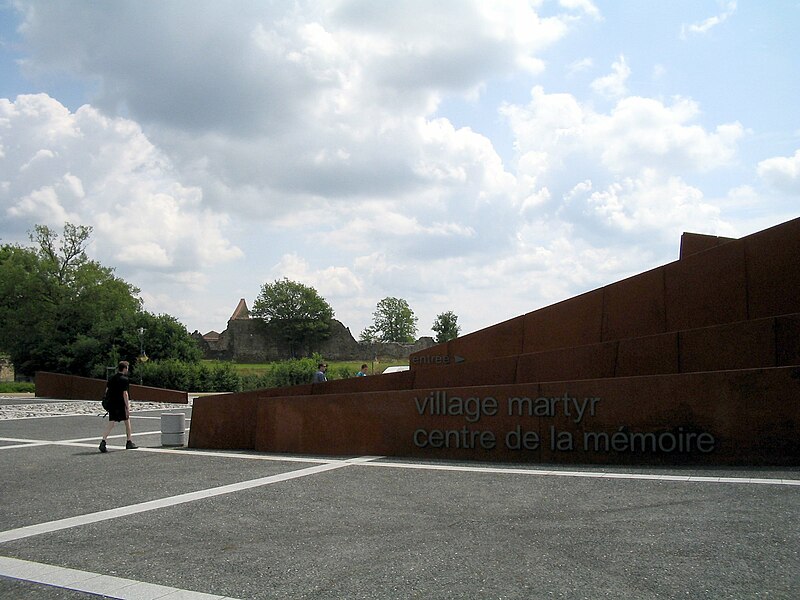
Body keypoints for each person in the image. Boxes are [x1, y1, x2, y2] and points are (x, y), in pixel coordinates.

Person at [99, 360, 137, 452]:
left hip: (112, 404)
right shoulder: (125, 380)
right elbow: (125, 394)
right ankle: (129, 442)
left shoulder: (111, 378)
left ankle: (103, 442)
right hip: (121, 404)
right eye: (127, 368)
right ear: (124, 369)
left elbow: (107, 391)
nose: (127, 370)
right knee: (127, 422)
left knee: (111, 424)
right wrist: (127, 407)